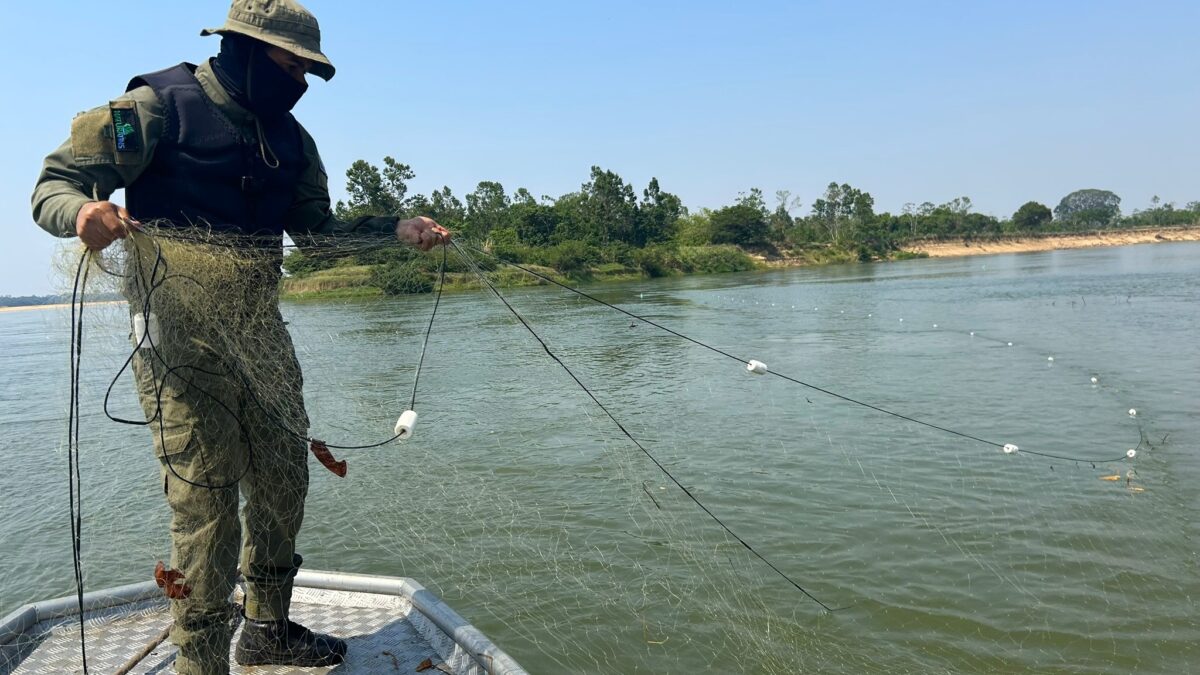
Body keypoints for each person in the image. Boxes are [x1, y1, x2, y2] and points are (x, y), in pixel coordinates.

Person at [30, 1, 449, 672]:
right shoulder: (155, 106)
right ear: (246, 51)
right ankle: (201, 658)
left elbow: (315, 236)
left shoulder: (292, 141)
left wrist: (396, 230)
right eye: (292, 66)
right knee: (207, 503)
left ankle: (266, 627)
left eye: (310, 72)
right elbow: (54, 183)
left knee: (285, 478)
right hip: (177, 342)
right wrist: (84, 212)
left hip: (261, 337)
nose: (302, 83)